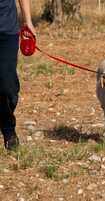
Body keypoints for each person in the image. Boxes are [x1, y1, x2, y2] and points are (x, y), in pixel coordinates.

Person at [0, 0, 35, 150]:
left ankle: (5, 121)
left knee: (8, 88)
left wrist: (28, 21)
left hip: (7, 31)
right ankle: (9, 132)